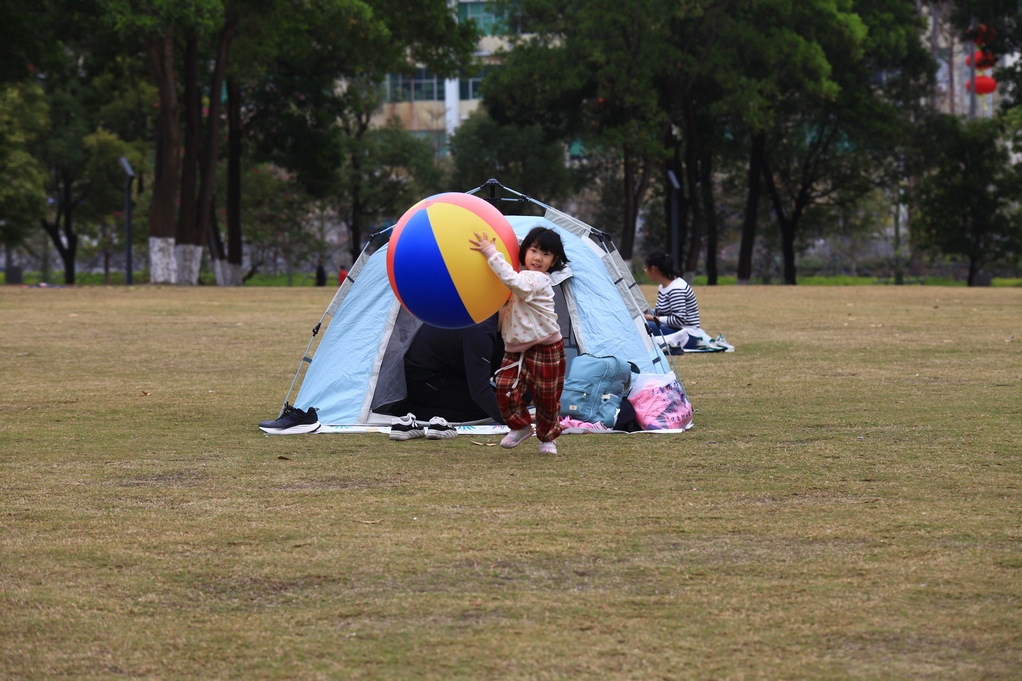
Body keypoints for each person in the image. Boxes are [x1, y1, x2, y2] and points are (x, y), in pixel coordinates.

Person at [470, 226, 569, 454]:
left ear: (553, 262)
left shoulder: (538, 280)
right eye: (534, 250)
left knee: (547, 397)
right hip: (517, 349)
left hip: (546, 347)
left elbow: (517, 283)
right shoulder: (519, 274)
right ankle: (521, 426)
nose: (538, 258)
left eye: (546, 255)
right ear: (524, 252)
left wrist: (491, 253)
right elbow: (510, 280)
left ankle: (547, 438)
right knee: (505, 388)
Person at [383, 313, 506, 436]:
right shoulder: (480, 330)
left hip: (446, 373)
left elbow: (495, 374)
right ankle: (406, 411)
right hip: (423, 378)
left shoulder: (491, 325)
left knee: (493, 402)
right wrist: (514, 420)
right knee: (482, 409)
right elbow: (480, 392)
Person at [642, 252, 702, 349]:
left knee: (644, 325)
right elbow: (661, 313)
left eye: (645, 267)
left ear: (653, 269)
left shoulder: (676, 289)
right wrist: (646, 311)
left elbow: (678, 320)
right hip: (673, 329)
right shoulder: (663, 286)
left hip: (685, 335)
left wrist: (650, 318)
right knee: (641, 322)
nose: (644, 270)